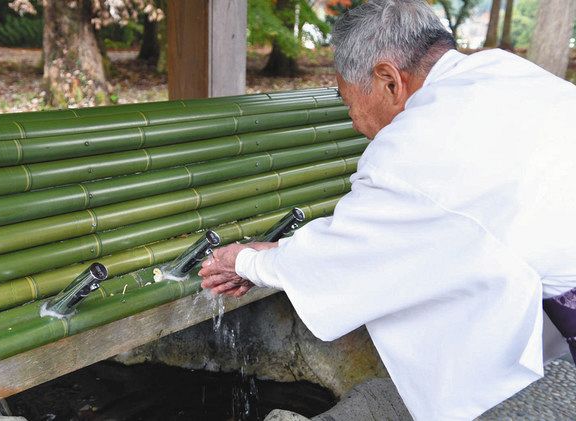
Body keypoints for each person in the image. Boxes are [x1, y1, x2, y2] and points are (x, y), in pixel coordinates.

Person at [199, 0, 576, 419]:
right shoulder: (503, 71)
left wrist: (247, 261)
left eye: (348, 101)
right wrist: (279, 256)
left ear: (388, 80)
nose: (355, 122)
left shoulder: (412, 146)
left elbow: (342, 262)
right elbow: (443, 223)